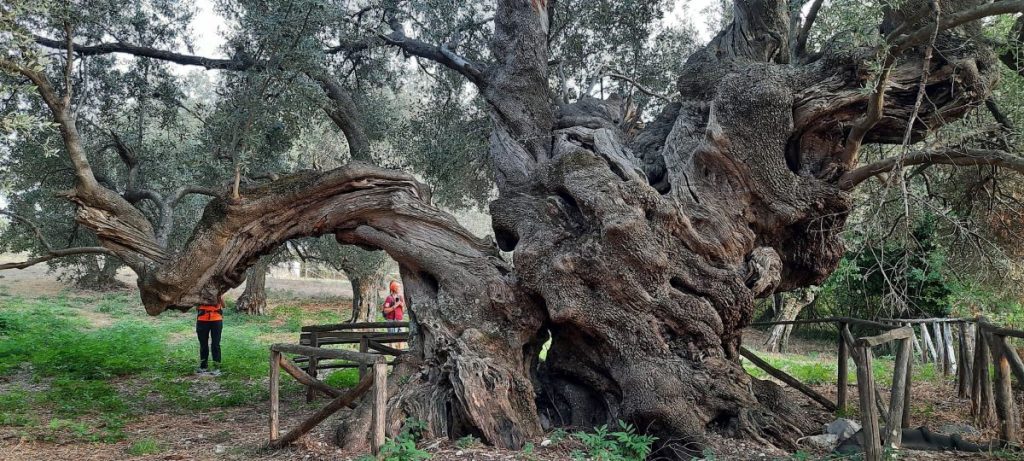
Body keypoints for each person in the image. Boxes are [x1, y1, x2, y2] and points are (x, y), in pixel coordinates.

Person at [196, 295, 224, 376]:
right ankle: (203, 366)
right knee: (203, 344)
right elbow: (196, 306)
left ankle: (217, 367)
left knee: (215, 344)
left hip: (216, 320)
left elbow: (224, 305)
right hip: (202, 320)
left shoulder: (218, 291)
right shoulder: (200, 293)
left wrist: (219, 297)